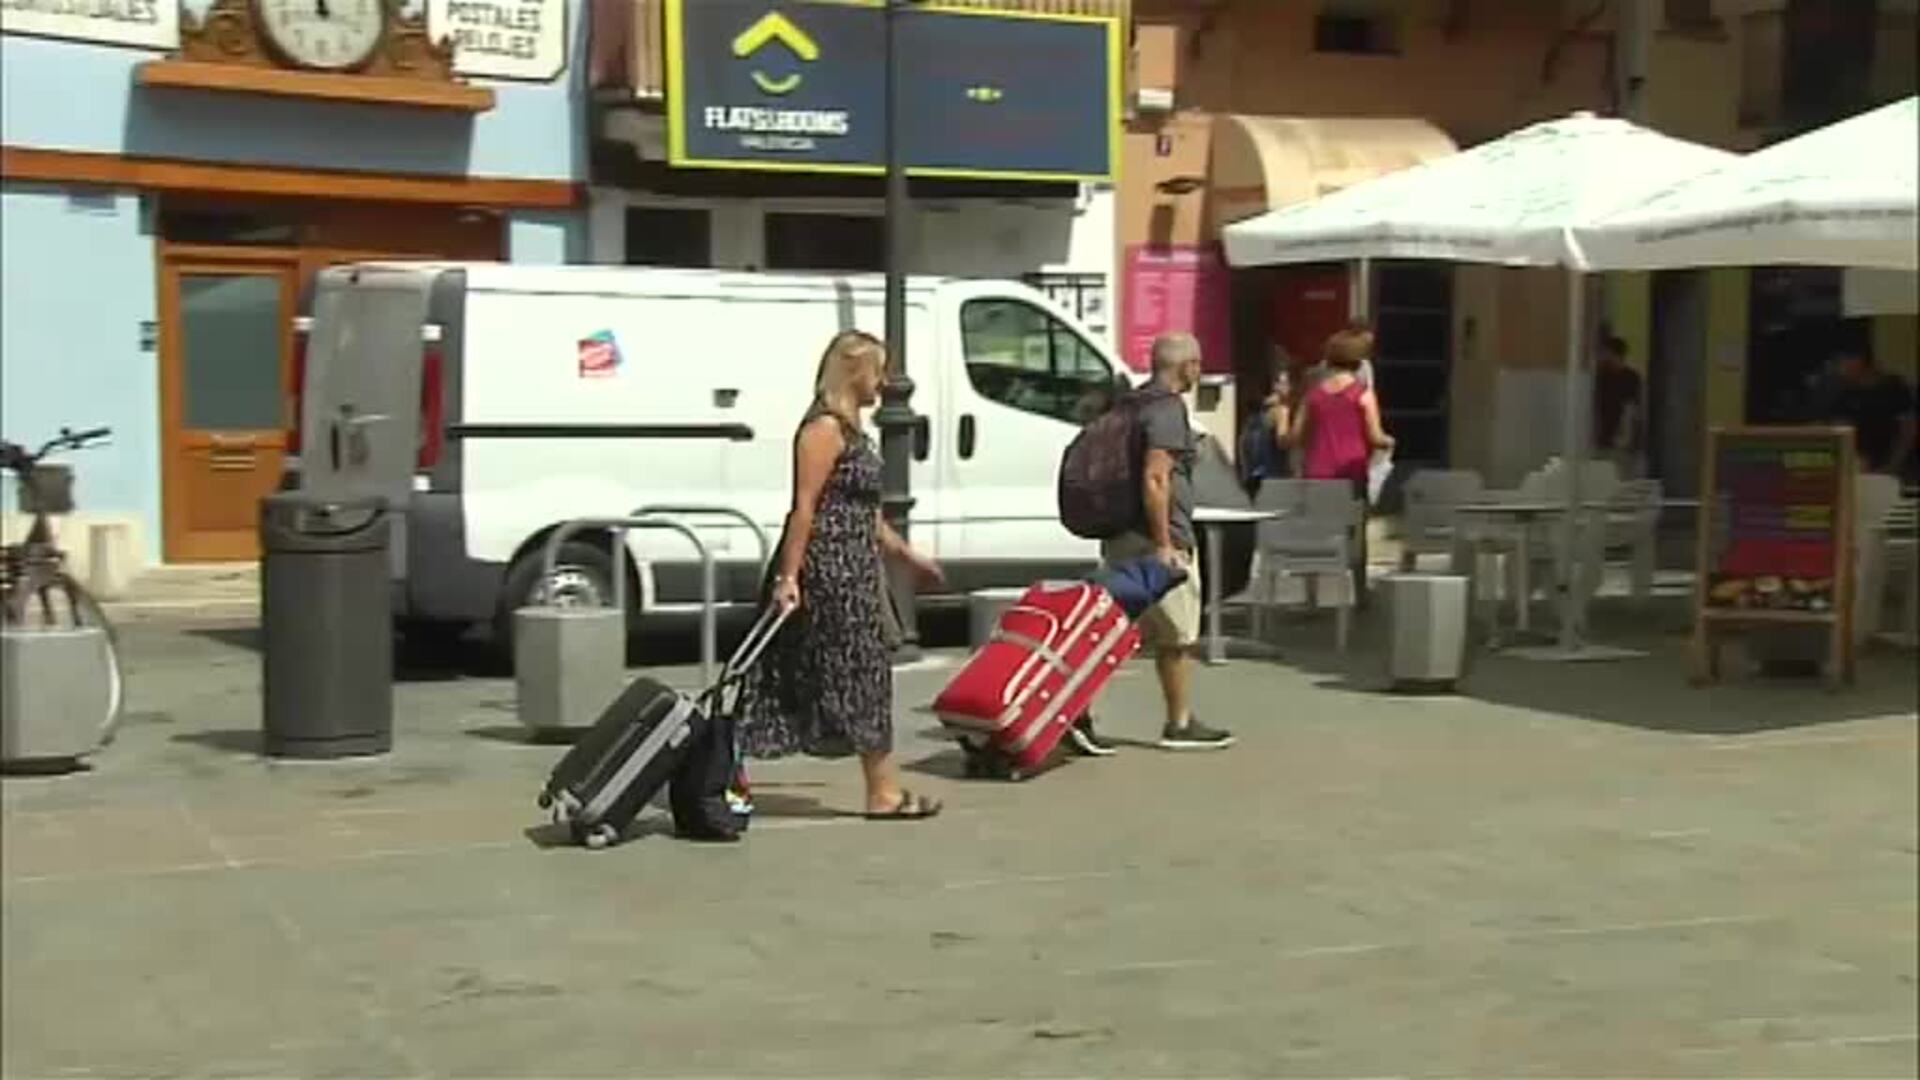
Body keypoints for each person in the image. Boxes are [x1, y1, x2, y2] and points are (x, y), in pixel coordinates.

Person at [741, 330, 948, 820]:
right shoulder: (823, 430)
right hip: (826, 573)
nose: (886, 382)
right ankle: (726, 768)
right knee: (813, 678)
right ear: (855, 373)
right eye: (879, 370)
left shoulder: (854, 431)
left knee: (859, 678)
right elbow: (805, 509)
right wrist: (788, 578)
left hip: (855, 571)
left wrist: (906, 554)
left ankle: (882, 790)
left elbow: (864, 511)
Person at [1075, 332, 1234, 755]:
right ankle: (1179, 724)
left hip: (1121, 532)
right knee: (1177, 637)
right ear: (1189, 368)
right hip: (1155, 539)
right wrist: (1165, 543)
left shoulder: (1130, 404)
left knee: (1112, 632)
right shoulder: (1166, 410)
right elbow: (1156, 477)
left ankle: (1076, 716)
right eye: (1197, 364)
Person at [1290, 329, 1394, 602]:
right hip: (1350, 474)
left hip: (1317, 473)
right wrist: (1388, 442)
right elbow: (1375, 436)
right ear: (1359, 362)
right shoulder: (1362, 395)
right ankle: (1359, 592)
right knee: (1356, 534)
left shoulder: (1313, 396)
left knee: (1313, 532)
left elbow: (1296, 436)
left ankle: (1310, 595)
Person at [1823, 347, 1916, 475]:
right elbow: (1840, 429)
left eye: (1842, 362)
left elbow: (1908, 429)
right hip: (1863, 466)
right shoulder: (1846, 394)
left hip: (1897, 465)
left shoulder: (1893, 386)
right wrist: (1856, 459)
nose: (1840, 368)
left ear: (1857, 361)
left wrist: (1893, 465)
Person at [1238, 348, 1293, 496]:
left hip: (1253, 475)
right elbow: (1282, 441)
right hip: (1275, 476)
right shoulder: (1281, 411)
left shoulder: (1254, 415)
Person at [1593, 335, 1644, 476]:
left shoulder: (1630, 377)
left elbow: (1633, 407)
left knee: (1620, 473)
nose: (1602, 356)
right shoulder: (1601, 375)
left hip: (1620, 434)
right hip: (1604, 434)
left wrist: (1626, 434)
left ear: (1612, 353)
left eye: (1604, 352)